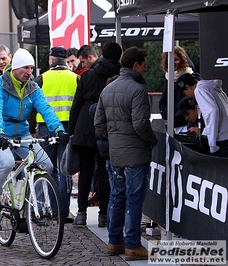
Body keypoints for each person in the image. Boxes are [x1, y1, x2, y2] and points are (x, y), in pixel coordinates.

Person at [0, 48, 70, 222]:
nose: (29, 72)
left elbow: (46, 109)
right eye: (26, 68)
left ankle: (33, 205)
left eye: (31, 68)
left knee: (46, 165)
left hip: (22, 133)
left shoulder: (32, 86)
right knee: (7, 162)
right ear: (15, 67)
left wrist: (59, 129)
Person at [94, 46, 158, 261]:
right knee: (134, 199)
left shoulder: (108, 89)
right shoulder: (137, 90)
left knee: (116, 197)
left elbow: (98, 123)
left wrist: (114, 137)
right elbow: (141, 124)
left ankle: (114, 241)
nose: (146, 68)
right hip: (135, 153)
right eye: (144, 64)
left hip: (115, 153)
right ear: (136, 65)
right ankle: (132, 244)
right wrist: (152, 140)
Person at [68, 42, 122, 226]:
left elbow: (76, 105)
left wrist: (71, 131)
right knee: (106, 172)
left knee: (86, 171)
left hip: (85, 126)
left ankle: (81, 212)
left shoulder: (87, 76)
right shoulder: (119, 75)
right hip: (107, 125)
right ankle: (104, 214)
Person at [31, 46, 79, 223]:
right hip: (67, 129)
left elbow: (31, 105)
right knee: (65, 171)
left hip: (45, 129)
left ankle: (50, 208)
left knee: (48, 169)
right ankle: (63, 212)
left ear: (51, 60)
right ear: (66, 61)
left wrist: (30, 129)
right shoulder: (76, 78)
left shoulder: (41, 79)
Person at [176, 73, 228, 157]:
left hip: (222, 140)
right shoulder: (210, 88)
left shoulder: (199, 90)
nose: (188, 97)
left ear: (188, 87)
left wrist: (212, 145)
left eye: (185, 94)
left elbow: (212, 112)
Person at [158, 46, 202, 133]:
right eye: (169, 60)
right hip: (173, 126)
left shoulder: (193, 77)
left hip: (191, 126)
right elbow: (163, 101)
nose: (172, 63)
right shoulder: (168, 78)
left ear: (182, 60)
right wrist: (167, 113)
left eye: (175, 59)